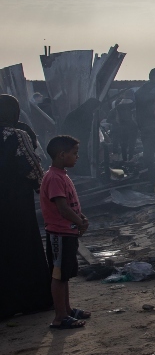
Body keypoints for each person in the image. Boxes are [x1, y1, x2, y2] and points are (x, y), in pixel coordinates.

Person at [0, 95, 52, 319]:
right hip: (16, 201)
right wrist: (43, 189)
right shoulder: (17, 135)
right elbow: (32, 167)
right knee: (24, 245)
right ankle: (32, 299)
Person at [40, 135, 90, 329]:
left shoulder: (62, 175)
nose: (77, 157)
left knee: (65, 275)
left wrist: (81, 218)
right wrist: (79, 222)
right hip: (59, 234)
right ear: (62, 155)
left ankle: (67, 310)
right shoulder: (53, 178)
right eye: (74, 153)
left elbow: (71, 205)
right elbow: (62, 208)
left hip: (68, 232)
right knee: (59, 275)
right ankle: (60, 317)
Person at [135, 68, 155, 170]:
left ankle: (147, 171)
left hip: (143, 125)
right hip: (154, 125)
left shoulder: (140, 89)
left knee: (148, 150)